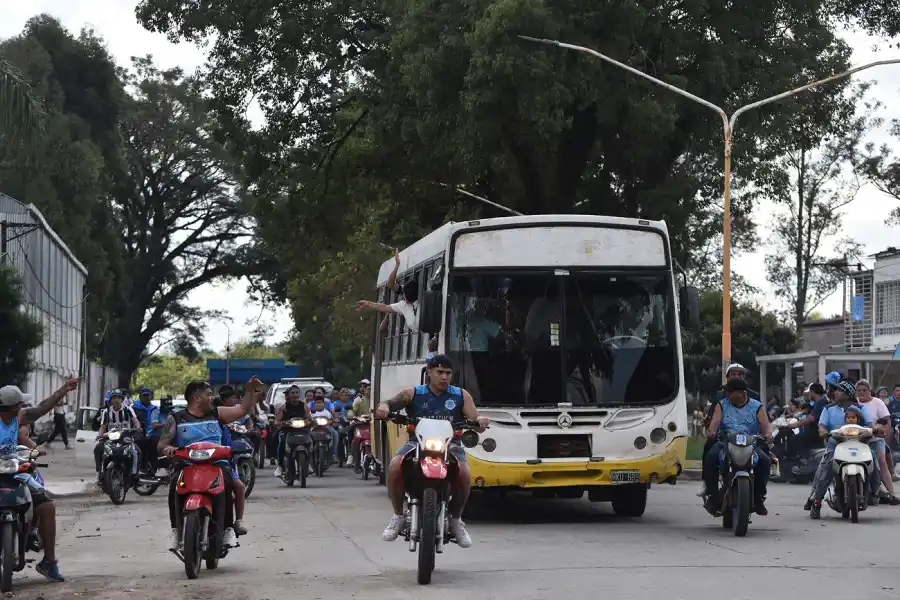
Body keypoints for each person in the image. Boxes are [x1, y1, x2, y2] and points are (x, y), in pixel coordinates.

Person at [374, 354, 489, 548]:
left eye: (448, 373)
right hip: (416, 443)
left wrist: (480, 421)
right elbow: (388, 403)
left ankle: (456, 520)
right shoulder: (413, 393)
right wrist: (384, 407)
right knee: (394, 465)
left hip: (450, 445)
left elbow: (476, 420)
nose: (444, 377)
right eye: (440, 372)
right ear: (429, 372)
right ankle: (398, 516)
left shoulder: (461, 395)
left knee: (465, 472)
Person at [159, 377, 261, 551]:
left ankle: (228, 528)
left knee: (227, 484)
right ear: (196, 398)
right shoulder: (176, 418)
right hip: (187, 463)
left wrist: (250, 390)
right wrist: (168, 449)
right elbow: (162, 444)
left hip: (217, 462)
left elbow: (243, 409)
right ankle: (176, 530)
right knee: (175, 485)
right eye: (208, 394)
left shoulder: (218, 414)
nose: (212, 398)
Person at [0, 378, 79, 582]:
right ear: (13, 406)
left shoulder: (19, 417)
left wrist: (63, 390)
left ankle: (49, 562)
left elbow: (42, 408)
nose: (23, 408)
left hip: (16, 472)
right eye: (20, 405)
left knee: (47, 507)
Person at [702, 377, 773, 516]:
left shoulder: (757, 406)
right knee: (710, 458)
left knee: (765, 461)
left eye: (729, 391)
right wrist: (711, 431)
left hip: (751, 443)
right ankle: (713, 496)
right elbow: (715, 422)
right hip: (726, 442)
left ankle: (759, 498)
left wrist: (768, 434)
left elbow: (766, 425)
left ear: (742, 393)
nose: (726, 394)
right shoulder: (722, 404)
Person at [808, 381, 876, 518]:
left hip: (859, 442)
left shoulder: (859, 409)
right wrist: (823, 431)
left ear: (847, 394)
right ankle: (817, 501)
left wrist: (874, 430)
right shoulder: (828, 408)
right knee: (827, 465)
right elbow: (822, 426)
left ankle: (875, 491)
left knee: (873, 458)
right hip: (835, 443)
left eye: (839, 390)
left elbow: (870, 425)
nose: (835, 392)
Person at [697, 363, 761, 496]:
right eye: (733, 374)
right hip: (725, 437)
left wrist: (767, 434)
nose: (737, 376)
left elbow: (763, 420)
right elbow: (713, 420)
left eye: (740, 374)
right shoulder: (720, 399)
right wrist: (711, 429)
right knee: (710, 451)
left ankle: (759, 494)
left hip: (749, 439)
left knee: (764, 458)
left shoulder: (755, 399)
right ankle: (709, 484)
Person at [854, 379, 899, 503]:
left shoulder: (877, 402)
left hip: (876, 439)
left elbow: (887, 421)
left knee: (881, 462)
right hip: (857, 440)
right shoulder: (853, 403)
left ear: (870, 391)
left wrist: (883, 432)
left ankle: (892, 495)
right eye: (859, 390)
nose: (862, 392)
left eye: (864, 390)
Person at [356, 249, 420, 331]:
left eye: (404, 293)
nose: (403, 295)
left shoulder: (424, 300)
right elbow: (384, 306)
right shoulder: (404, 305)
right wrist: (368, 304)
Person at [216, 387, 248, 536]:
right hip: (196, 463)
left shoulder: (223, 426)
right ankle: (177, 530)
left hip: (222, 463)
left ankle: (238, 521)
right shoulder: (187, 422)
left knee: (239, 486)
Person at [94, 389, 141, 484]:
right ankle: (100, 473)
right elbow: (103, 426)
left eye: (118, 398)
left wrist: (138, 428)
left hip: (126, 437)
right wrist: (99, 435)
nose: (116, 400)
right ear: (111, 400)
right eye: (114, 398)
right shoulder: (106, 411)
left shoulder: (128, 409)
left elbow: (135, 421)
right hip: (110, 437)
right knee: (98, 448)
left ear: (122, 399)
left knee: (136, 452)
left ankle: (135, 474)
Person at [274, 386, 312, 478]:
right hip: (287, 431)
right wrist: (282, 423)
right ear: (289, 395)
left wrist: (310, 422)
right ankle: (280, 466)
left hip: (302, 430)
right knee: (282, 442)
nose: (295, 395)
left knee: (311, 441)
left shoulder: (304, 406)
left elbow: (309, 418)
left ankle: (309, 463)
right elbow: (277, 421)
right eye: (293, 393)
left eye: (297, 392)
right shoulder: (284, 407)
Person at [131, 387, 159, 474]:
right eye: (144, 396)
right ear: (140, 396)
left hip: (151, 432)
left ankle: (153, 469)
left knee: (155, 445)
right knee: (140, 444)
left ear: (151, 396)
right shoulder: (134, 407)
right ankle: (140, 468)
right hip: (138, 432)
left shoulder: (154, 408)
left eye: (148, 395)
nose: (146, 397)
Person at [308, 387, 339, 461]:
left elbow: (332, 413)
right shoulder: (310, 405)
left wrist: (335, 419)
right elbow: (307, 414)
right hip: (314, 427)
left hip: (326, 426)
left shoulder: (328, 405)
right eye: (316, 393)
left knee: (334, 434)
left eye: (319, 393)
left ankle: (333, 454)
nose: (317, 394)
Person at [347, 380, 370, 471]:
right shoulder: (358, 401)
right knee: (353, 436)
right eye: (367, 389)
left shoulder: (376, 400)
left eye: (370, 389)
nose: (369, 391)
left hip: (373, 424)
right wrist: (352, 417)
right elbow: (352, 412)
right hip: (360, 424)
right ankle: (351, 456)